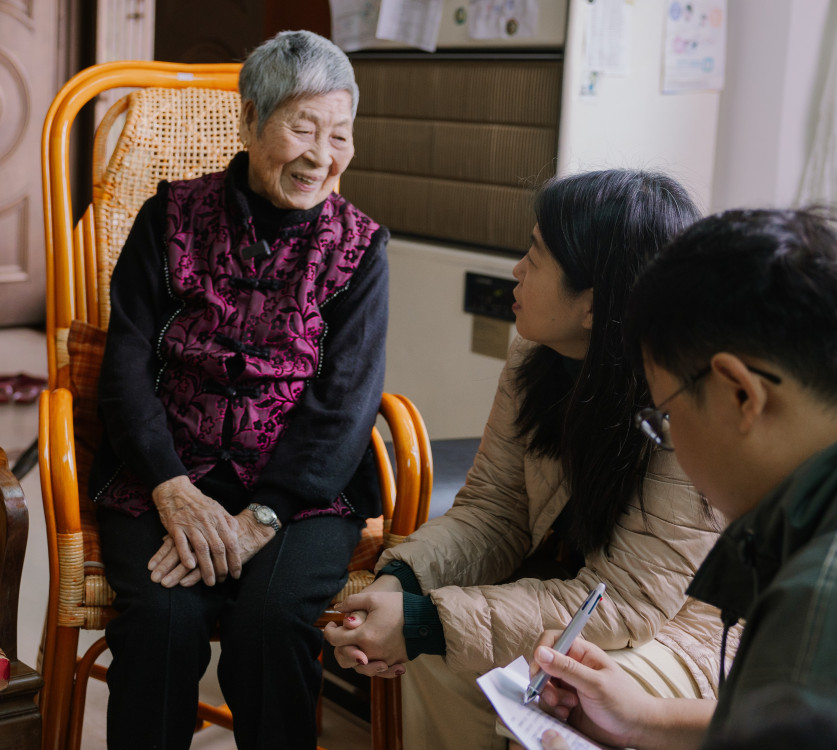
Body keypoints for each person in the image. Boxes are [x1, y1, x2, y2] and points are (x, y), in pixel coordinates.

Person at [325, 169, 735, 750]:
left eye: (536, 258)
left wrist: (425, 621)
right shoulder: (534, 355)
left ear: (594, 303)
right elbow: (493, 511)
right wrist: (401, 583)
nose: (517, 269)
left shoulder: (684, 398)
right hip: (575, 594)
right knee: (439, 659)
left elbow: (628, 599)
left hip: (684, 627)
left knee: (558, 698)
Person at [89, 30, 389, 750]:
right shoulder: (168, 217)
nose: (321, 156)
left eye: (339, 135)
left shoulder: (360, 247)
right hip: (165, 474)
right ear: (251, 119)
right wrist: (169, 486)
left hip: (303, 494)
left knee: (271, 621)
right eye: (302, 128)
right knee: (160, 620)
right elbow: (125, 364)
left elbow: (346, 403)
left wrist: (264, 514)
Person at [525, 208, 837, 750]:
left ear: (740, 394)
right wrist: (644, 718)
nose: (671, 441)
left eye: (665, 415)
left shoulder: (817, 601)